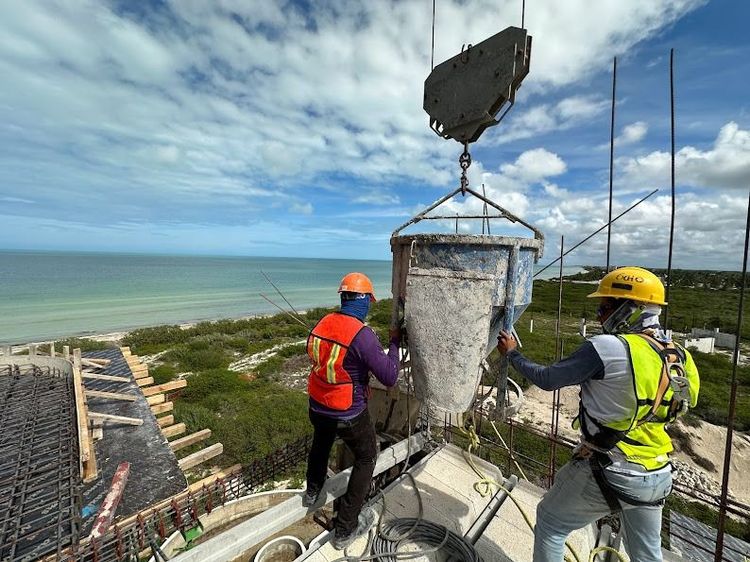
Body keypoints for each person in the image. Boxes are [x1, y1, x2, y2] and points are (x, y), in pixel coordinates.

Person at [496, 266, 699, 562]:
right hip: (658, 472)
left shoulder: (607, 348)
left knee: (551, 523)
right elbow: (681, 404)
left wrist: (513, 353)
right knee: (647, 555)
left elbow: (548, 379)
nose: (599, 315)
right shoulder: (679, 355)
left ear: (628, 309)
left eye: (604, 307)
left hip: (613, 467)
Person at [302, 272, 401, 550]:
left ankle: (312, 491)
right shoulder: (363, 336)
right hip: (347, 412)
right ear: (365, 300)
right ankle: (345, 529)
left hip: (317, 404)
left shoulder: (323, 322)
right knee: (367, 457)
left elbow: (314, 353)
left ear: (343, 298)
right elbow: (390, 376)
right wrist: (393, 343)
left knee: (320, 444)